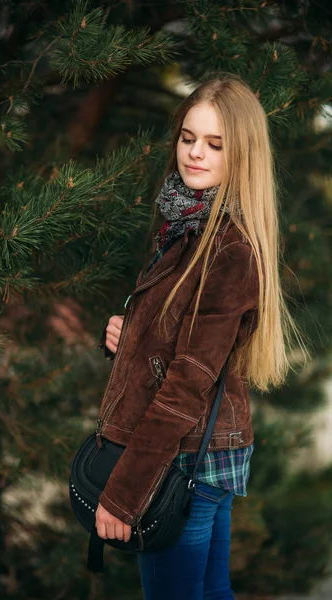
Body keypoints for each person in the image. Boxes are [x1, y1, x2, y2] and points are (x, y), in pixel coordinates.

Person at [95, 75, 307, 600]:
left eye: (215, 144)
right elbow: (181, 343)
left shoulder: (228, 245)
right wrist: (129, 335)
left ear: (243, 154)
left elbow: (189, 383)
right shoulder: (185, 224)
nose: (194, 153)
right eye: (188, 137)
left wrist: (124, 493)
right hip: (204, 453)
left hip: (185, 459)